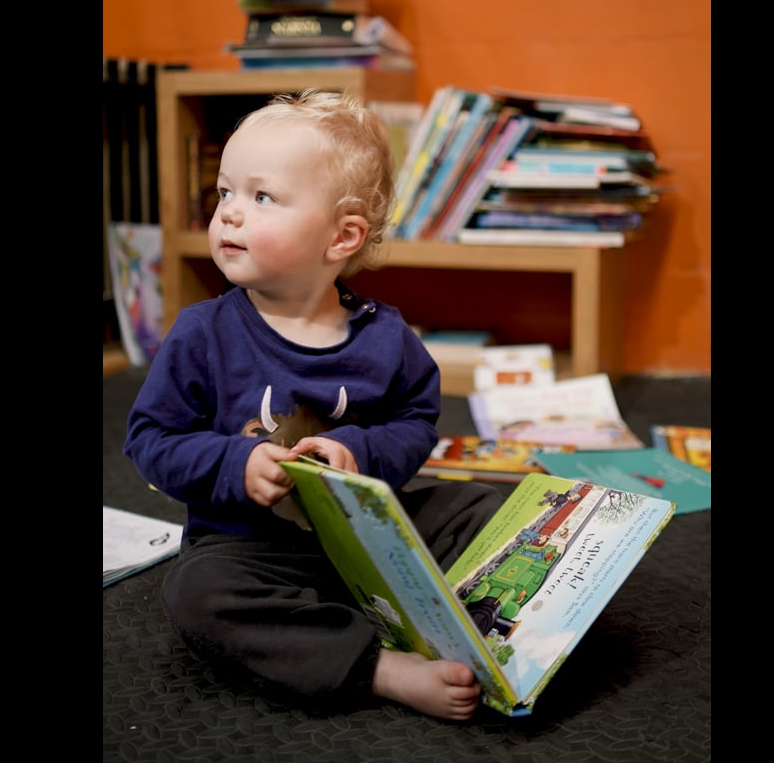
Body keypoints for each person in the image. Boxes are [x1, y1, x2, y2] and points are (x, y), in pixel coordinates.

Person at [124, 89, 502, 720]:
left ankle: (469, 623)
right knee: (197, 594)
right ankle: (378, 667)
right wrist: (232, 465)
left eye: (261, 196)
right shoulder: (202, 332)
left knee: (481, 505)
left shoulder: (386, 337)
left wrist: (355, 450)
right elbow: (150, 440)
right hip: (251, 549)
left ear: (342, 235)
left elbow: (413, 424)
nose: (230, 215)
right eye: (224, 193)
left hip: (371, 537)